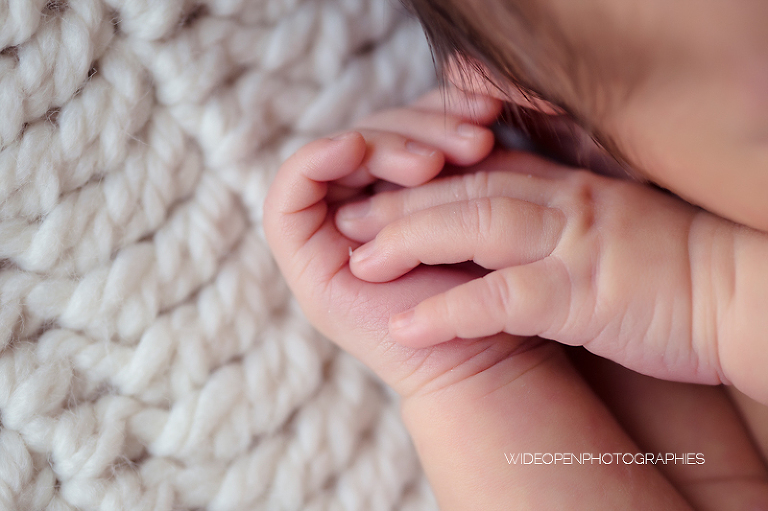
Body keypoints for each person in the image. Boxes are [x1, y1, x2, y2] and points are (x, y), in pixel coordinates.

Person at [264, 0, 768, 507]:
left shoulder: (697, 303)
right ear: (570, 123)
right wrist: (483, 373)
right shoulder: (644, 314)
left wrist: (712, 294)